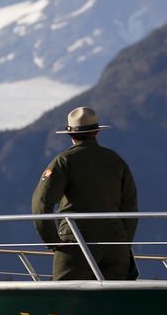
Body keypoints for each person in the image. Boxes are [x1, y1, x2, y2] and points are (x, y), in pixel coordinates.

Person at [31, 106, 138, 280]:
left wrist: (51, 240)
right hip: (115, 243)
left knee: (64, 298)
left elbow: (41, 203)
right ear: (96, 132)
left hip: (76, 241)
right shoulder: (116, 160)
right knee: (113, 301)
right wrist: (124, 242)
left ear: (70, 135)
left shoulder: (64, 161)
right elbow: (130, 206)